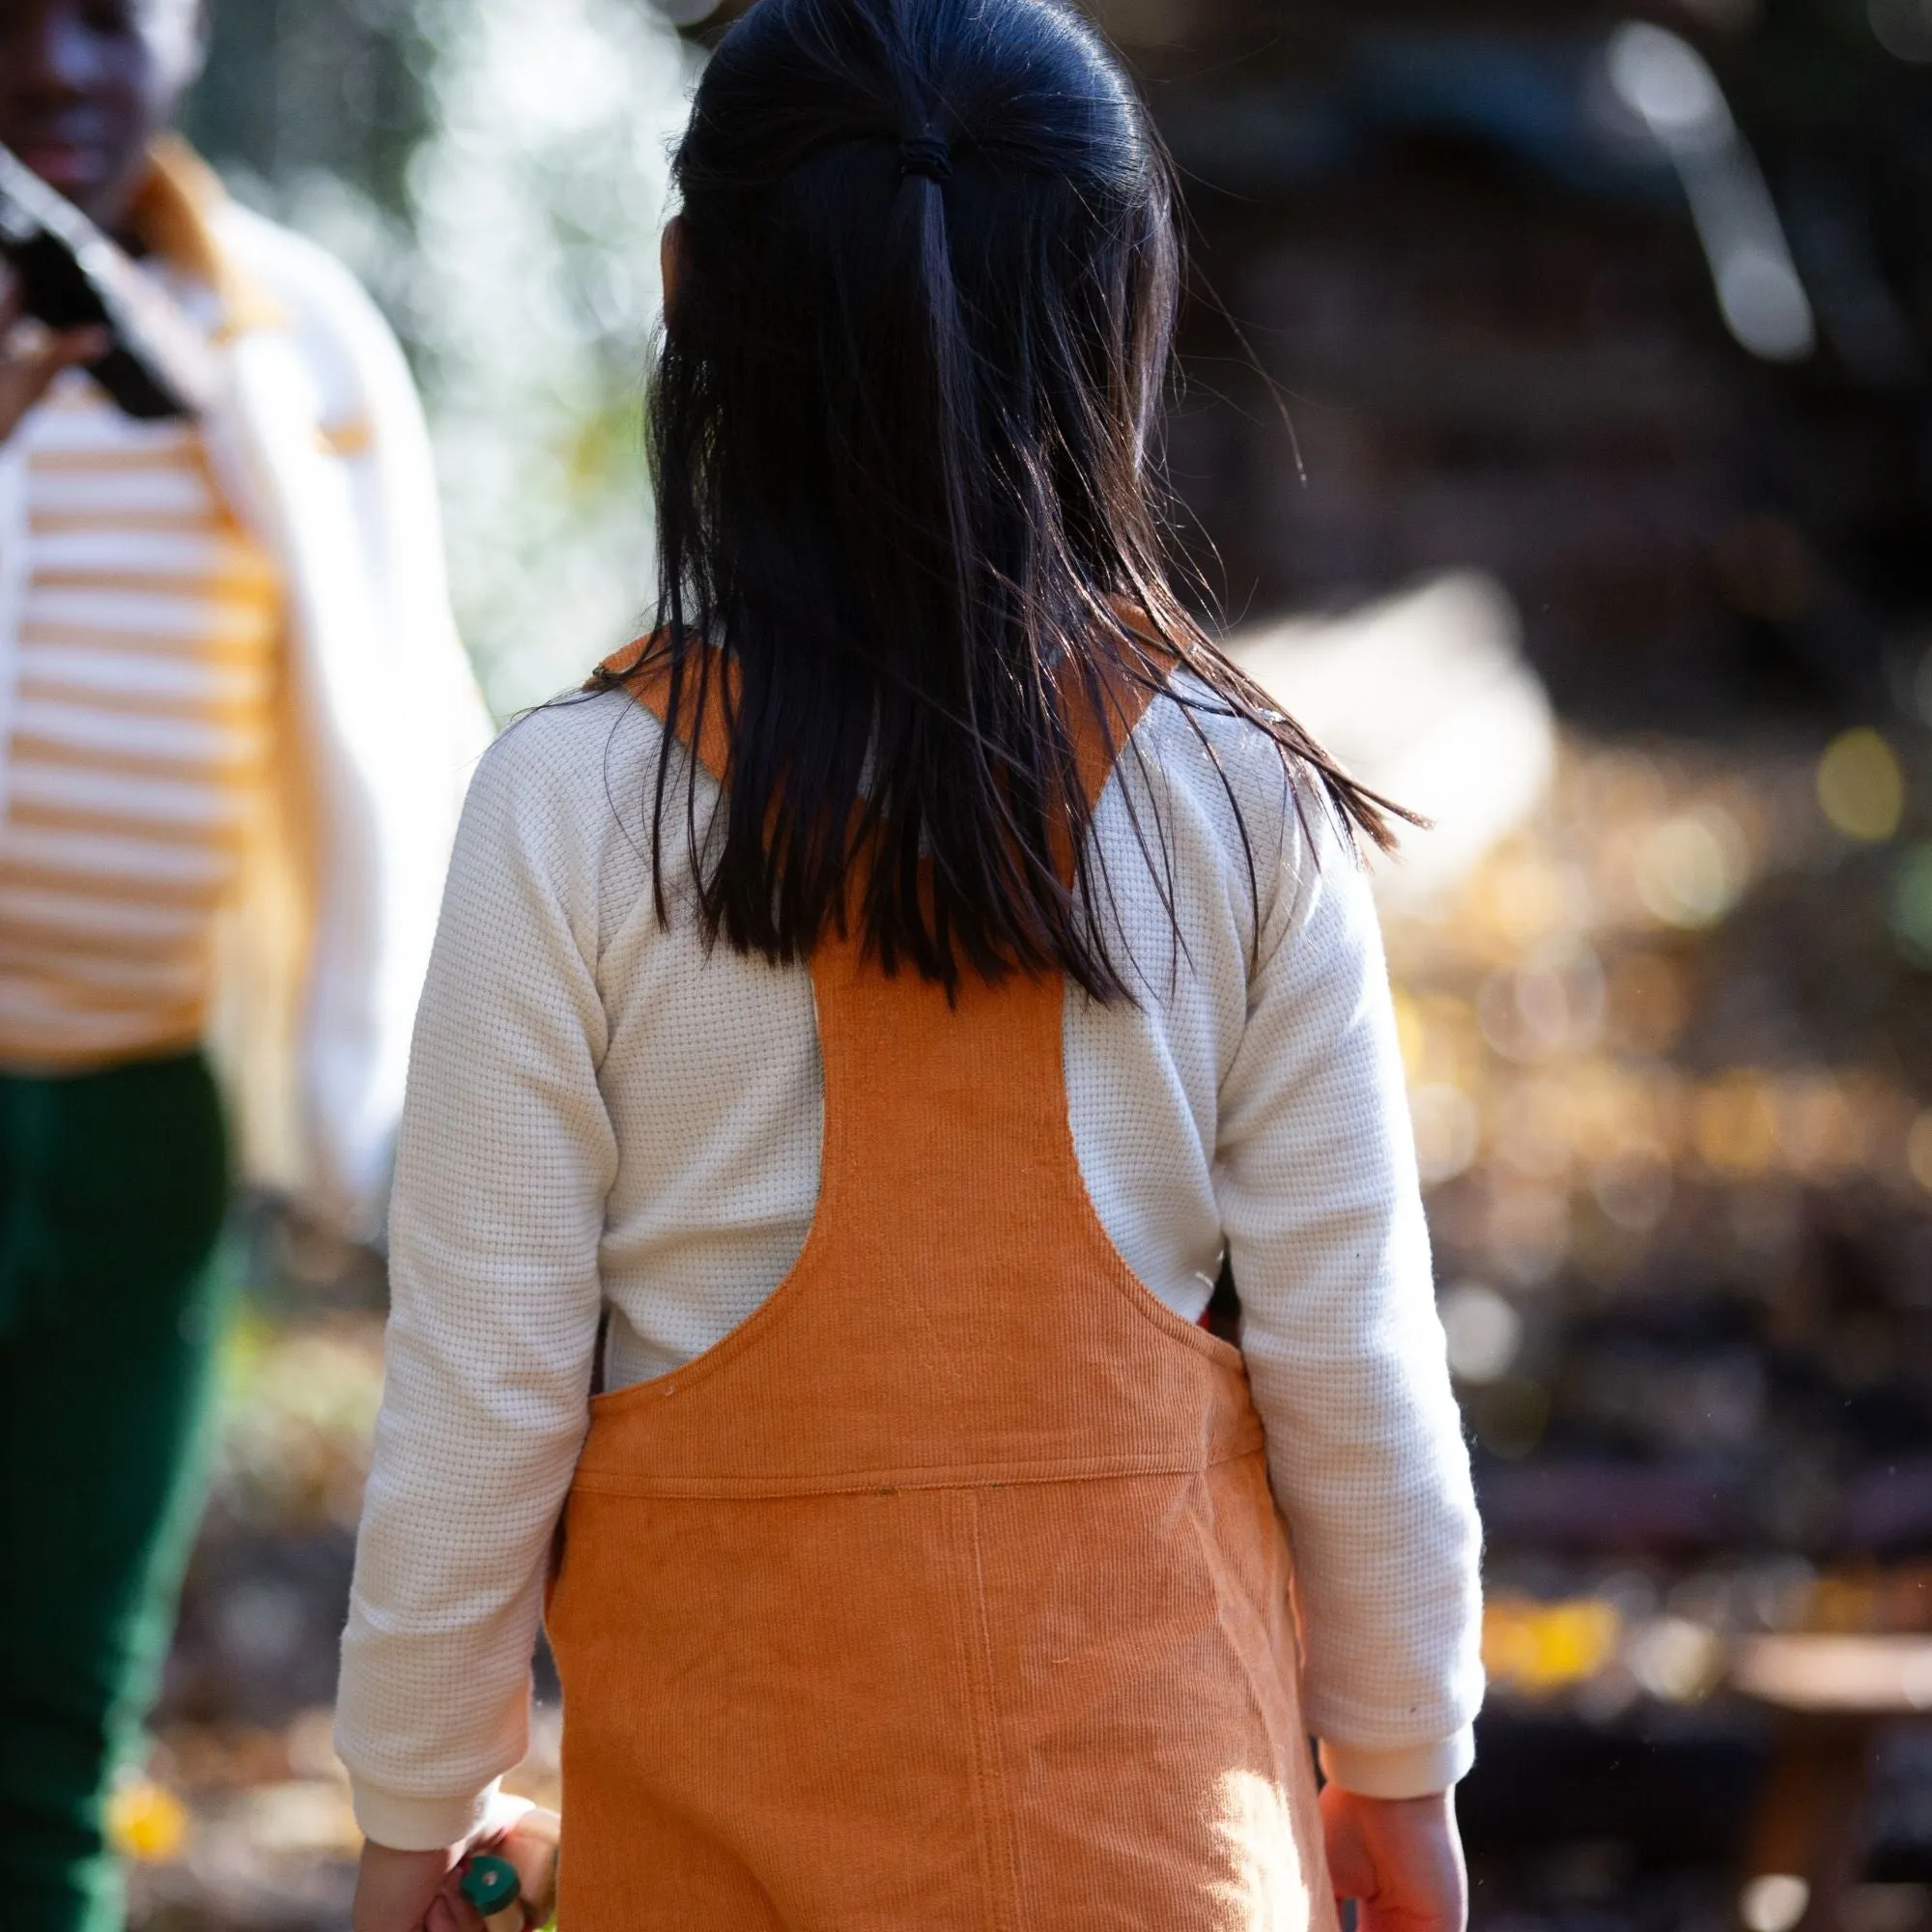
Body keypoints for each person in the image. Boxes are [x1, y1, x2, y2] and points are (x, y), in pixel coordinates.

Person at [336, 0, 1484, 1925]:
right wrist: (1404, 1780)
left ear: (686, 290)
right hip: (1158, 1867)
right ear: (1125, 304)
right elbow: (1355, 1363)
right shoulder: (1236, 800)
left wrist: (405, 1831)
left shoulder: (570, 810)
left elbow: (478, 1403)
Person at [0, 3, 489, 1927]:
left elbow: (409, 734)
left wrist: (404, 1114)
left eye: (114, 12)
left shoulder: (298, 342)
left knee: (55, 1708)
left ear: (190, 34)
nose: (57, 68)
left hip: (143, 1121)